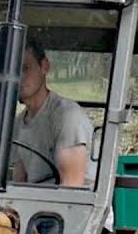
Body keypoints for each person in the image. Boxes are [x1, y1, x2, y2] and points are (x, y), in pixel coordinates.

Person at [9, 37, 95, 188]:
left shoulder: (67, 116)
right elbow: (19, 183)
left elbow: (71, 188)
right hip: (38, 204)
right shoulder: (18, 123)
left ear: (44, 66)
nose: (17, 78)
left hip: (76, 208)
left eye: (24, 68)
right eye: (11, 71)